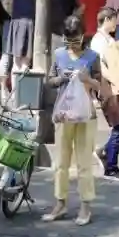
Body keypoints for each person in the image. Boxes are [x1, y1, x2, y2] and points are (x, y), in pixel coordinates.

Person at [44, 15, 103, 226]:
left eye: (76, 40)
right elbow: (50, 80)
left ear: (83, 35)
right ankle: (60, 203)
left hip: (86, 114)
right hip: (63, 113)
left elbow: (101, 86)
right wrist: (62, 78)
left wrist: (87, 79)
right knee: (61, 162)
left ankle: (86, 206)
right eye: (68, 40)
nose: (72, 45)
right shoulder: (59, 55)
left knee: (84, 162)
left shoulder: (93, 57)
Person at [90, 6, 119, 181]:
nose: (116, 23)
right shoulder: (98, 41)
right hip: (109, 88)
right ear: (107, 20)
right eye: (115, 20)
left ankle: (104, 151)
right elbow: (102, 68)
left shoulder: (108, 39)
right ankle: (111, 167)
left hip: (118, 86)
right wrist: (117, 81)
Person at [0, 0, 34, 96]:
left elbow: (6, 3)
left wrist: (13, 14)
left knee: (16, 62)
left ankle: (14, 94)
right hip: (30, 24)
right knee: (26, 62)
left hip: (16, 24)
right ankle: (22, 94)